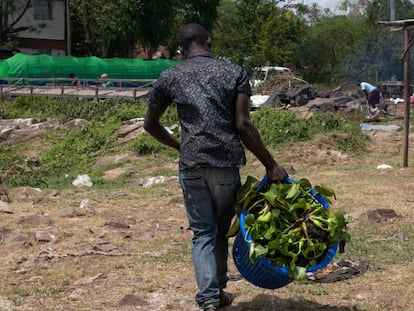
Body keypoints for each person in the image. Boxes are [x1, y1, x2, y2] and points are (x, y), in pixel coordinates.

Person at [144, 23, 288, 311]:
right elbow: (243, 125)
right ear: (208, 41)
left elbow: (150, 124)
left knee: (203, 233)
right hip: (225, 164)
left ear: (181, 49)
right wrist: (271, 165)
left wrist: (180, 146)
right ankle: (216, 292)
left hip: (192, 164)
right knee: (220, 231)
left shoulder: (170, 76)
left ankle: (211, 298)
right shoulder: (233, 72)